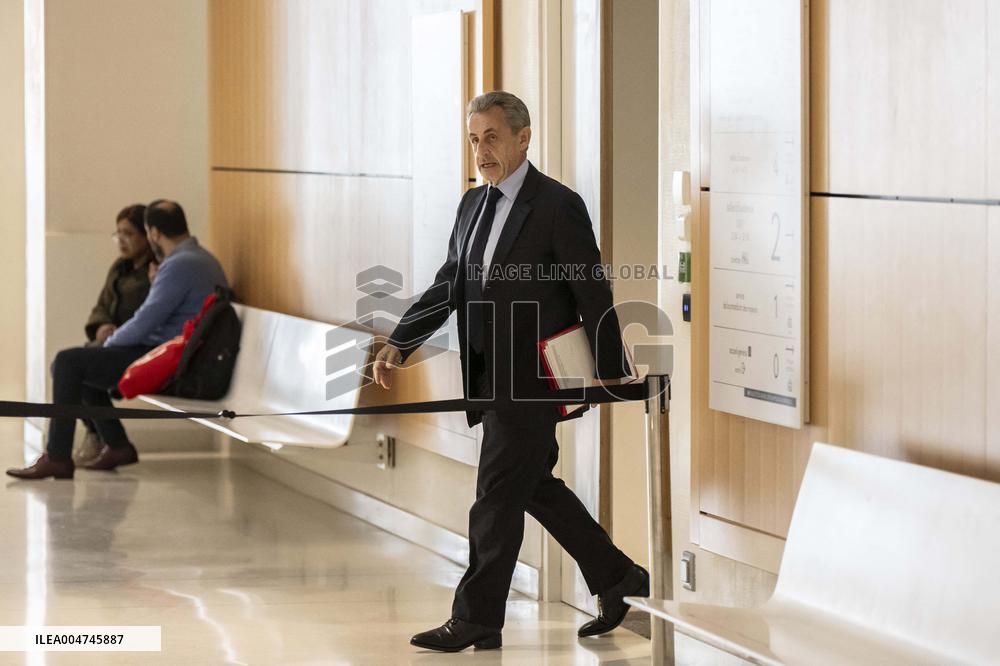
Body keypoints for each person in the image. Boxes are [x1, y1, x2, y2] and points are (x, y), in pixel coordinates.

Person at [373, 91, 649, 652]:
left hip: (533, 382)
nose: (482, 151)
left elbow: (591, 289)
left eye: (492, 137)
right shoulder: (472, 206)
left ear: (524, 138)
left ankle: (476, 617)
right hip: (486, 376)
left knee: (496, 496)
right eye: (474, 139)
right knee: (532, 487)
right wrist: (403, 342)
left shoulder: (557, 205)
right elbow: (450, 282)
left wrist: (611, 369)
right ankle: (619, 578)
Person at [7, 200, 229, 481]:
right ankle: (116, 446)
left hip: (166, 357)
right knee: (77, 367)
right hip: (181, 352)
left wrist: (108, 345)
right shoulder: (201, 259)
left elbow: (145, 321)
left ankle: (59, 457)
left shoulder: (180, 265)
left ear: (153, 233)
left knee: (67, 362)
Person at [74, 204, 156, 465]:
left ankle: (108, 440)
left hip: (137, 346)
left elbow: (151, 313)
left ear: (147, 235)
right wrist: (102, 326)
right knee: (70, 365)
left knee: (76, 368)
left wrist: (120, 332)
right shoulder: (119, 268)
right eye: (118, 233)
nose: (121, 240)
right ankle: (100, 435)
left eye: (128, 234)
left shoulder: (156, 271)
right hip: (112, 342)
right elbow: (102, 304)